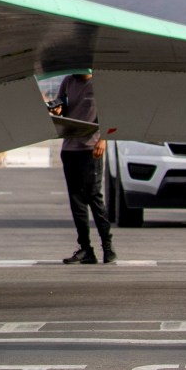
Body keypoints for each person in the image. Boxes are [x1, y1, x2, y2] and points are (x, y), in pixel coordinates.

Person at [52, 69, 114, 264]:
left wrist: (103, 140)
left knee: (94, 197)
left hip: (91, 149)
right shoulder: (68, 81)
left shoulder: (101, 83)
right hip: (70, 148)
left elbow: (111, 113)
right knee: (77, 200)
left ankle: (107, 246)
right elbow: (60, 103)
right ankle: (86, 249)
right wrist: (57, 109)